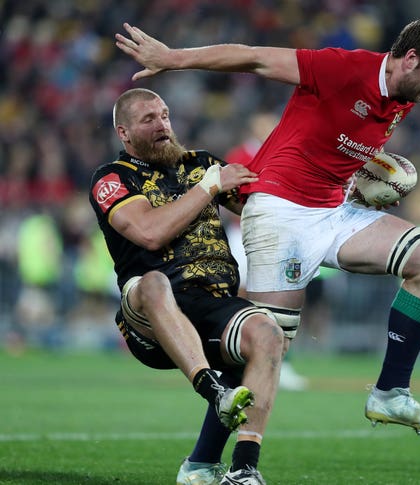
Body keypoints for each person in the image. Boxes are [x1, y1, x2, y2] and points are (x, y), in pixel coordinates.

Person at [116, 13, 420, 437]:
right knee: (262, 350)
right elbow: (253, 58)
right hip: (280, 210)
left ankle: (391, 391)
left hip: (332, 211)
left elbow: (333, 146)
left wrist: (357, 181)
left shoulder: (405, 95)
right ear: (410, 58)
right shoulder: (344, 67)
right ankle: (205, 462)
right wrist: (172, 58)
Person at [89, 88, 281, 484]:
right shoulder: (113, 178)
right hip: (150, 314)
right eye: (148, 119)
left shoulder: (201, 164)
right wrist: (209, 188)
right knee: (153, 282)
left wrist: (344, 195)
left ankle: (241, 468)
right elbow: (148, 232)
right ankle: (213, 389)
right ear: (124, 133)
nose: (162, 124)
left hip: (212, 302)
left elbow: (267, 204)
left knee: (267, 334)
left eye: (164, 114)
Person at [225, 110, 309, 391]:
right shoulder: (240, 153)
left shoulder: (286, 151)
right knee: (242, 292)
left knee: (285, 296)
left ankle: (280, 362)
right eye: (263, 123)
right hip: (244, 232)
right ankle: (238, 355)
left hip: (283, 234)